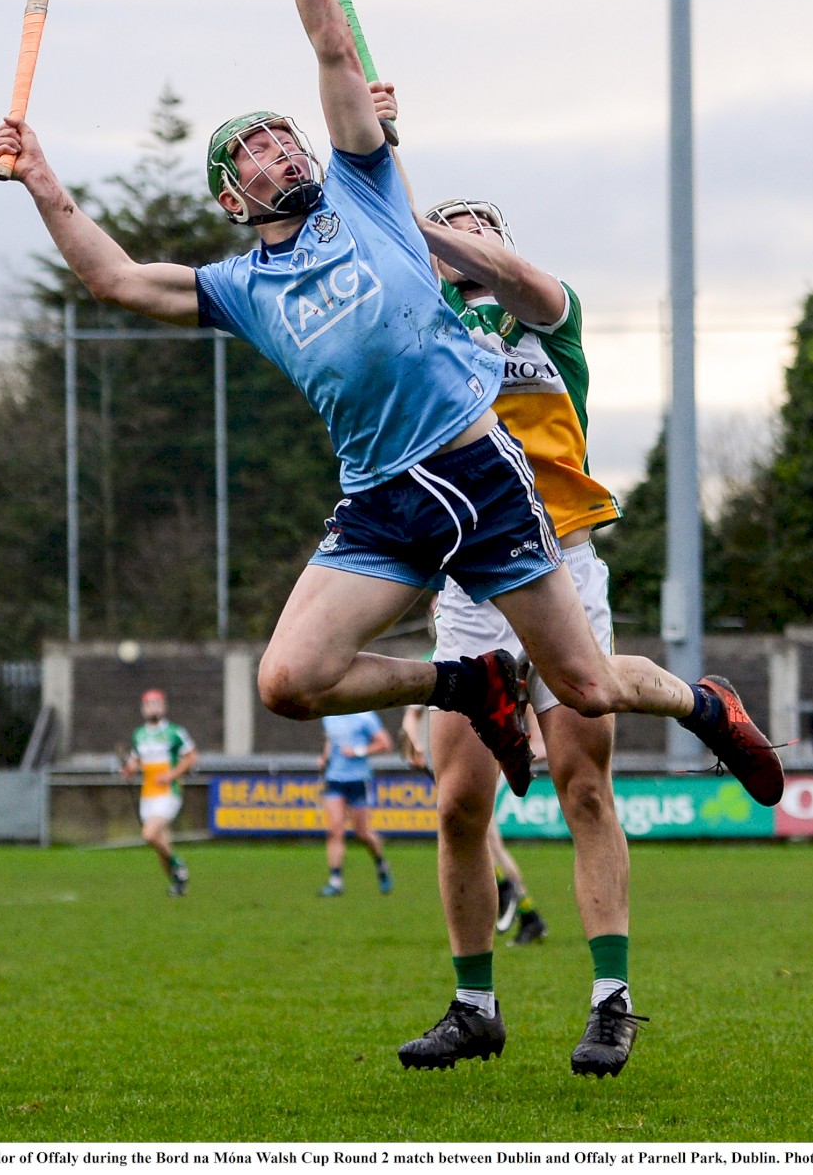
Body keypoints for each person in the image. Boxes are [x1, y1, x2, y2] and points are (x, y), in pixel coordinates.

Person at [0, 0, 779, 839]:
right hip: (381, 498)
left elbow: (329, 47)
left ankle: (703, 706)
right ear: (233, 201)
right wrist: (40, 179)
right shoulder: (240, 288)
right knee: (289, 679)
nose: (279, 150)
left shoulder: (367, 194)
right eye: (253, 153)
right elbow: (113, 278)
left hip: (476, 470)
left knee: (583, 683)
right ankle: (466, 681)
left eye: (283, 138)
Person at [393, 194, 643, 1077]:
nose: (469, 234)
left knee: (583, 788)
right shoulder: (420, 324)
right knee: (458, 804)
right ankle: (474, 1006)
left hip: (563, 570)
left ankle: (610, 1001)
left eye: (482, 223)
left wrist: (403, 204)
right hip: (471, 585)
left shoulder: (549, 313)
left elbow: (508, 275)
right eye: (449, 223)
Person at [402, 703, 548, 943]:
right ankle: (526, 912)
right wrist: (414, 745)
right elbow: (411, 715)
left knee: (487, 841)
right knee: (484, 841)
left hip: (483, 762)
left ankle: (514, 899)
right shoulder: (431, 665)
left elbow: (526, 700)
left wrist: (532, 742)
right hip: (455, 763)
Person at [122, 689, 196, 896]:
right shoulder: (139, 735)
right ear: (143, 708)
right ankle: (178, 885)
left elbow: (191, 757)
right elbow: (135, 761)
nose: (153, 707)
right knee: (160, 844)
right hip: (148, 795)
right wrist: (129, 770)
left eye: (157, 703)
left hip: (168, 793)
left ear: (164, 707)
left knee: (149, 834)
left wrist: (171, 775)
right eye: (149, 704)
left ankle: (178, 865)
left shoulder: (174, 732)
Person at [317, 710, 395, 897]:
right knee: (335, 829)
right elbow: (331, 741)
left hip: (358, 780)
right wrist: (325, 758)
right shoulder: (328, 716)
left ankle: (381, 864)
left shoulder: (366, 717)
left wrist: (359, 751)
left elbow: (385, 744)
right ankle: (335, 881)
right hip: (334, 778)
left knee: (362, 833)